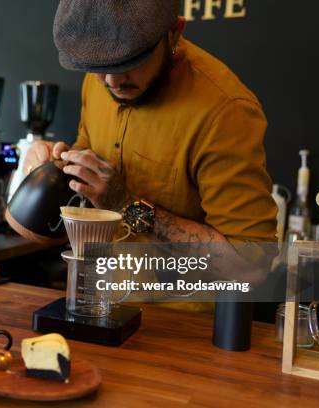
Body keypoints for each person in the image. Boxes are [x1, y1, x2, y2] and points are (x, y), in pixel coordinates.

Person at [24, 0, 277, 307]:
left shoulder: (225, 111)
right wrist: (58, 162)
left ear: (174, 32)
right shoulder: (101, 76)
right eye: (99, 68)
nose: (113, 82)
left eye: (131, 62)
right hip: (99, 304)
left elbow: (250, 268)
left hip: (181, 331)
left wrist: (126, 204)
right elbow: (88, 149)